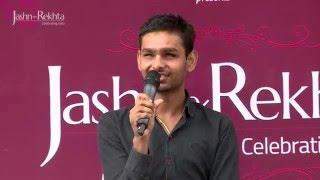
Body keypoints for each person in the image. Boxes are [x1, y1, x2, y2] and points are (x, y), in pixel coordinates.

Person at [98, 14, 239, 180]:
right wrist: (140, 143)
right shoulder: (113, 124)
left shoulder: (219, 127)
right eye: (149, 55)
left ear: (191, 60)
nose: (157, 64)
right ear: (139, 59)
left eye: (169, 55)